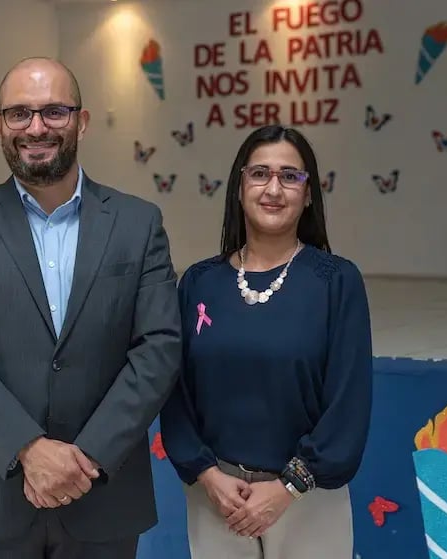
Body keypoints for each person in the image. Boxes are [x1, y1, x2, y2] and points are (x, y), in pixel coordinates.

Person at [0, 57, 182, 558]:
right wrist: (28, 448)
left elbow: (159, 347)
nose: (36, 127)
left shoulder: (138, 223)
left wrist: (83, 459)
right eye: (19, 114)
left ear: (81, 121)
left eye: (54, 112)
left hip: (103, 494)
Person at [159, 124, 373, 559]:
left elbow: (349, 401)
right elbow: (174, 393)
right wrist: (207, 475)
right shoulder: (199, 283)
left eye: (290, 176)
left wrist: (288, 486)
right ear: (239, 187)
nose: (273, 188)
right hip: (218, 499)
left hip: (306, 498)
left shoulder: (337, 282)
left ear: (308, 194)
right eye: (259, 174)